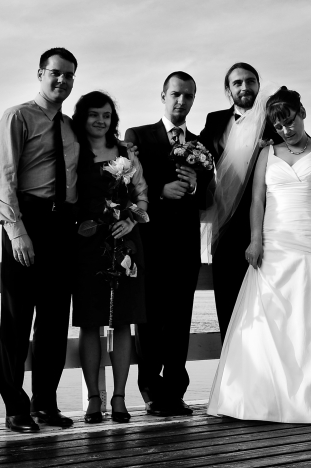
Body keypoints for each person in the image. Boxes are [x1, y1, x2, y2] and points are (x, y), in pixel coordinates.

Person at [208, 87, 311, 422]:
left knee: (308, 318)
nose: (286, 130)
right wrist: (255, 240)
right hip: (273, 241)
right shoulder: (267, 153)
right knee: (267, 318)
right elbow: (257, 200)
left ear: (302, 113)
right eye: (279, 125)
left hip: (310, 241)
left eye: (290, 121)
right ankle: (260, 397)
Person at [0, 47, 79, 432]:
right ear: (41, 73)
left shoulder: (72, 127)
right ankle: (16, 407)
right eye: (56, 72)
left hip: (64, 227)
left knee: (55, 322)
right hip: (29, 221)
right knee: (17, 319)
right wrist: (17, 232)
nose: (62, 80)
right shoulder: (17, 117)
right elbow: (3, 179)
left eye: (69, 75)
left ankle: (46, 403)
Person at [124, 72, 213, 417]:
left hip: (186, 246)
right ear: (163, 95)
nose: (181, 101)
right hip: (150, 244)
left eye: (188, 96)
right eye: (176, 94)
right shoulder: (139, 136)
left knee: (179, 320)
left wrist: (194, 186)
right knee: (148, 322)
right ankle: (151, 392)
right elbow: (128, 185)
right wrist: (160, 191)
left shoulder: (201, 144)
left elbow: (207, 199)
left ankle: (176, 392)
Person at [70, 91, 149, 425]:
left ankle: (119, 398)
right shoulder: (74, 152)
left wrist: (131, 220)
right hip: (88, 243)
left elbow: (142, 196)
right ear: (82, 117)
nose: (100, 120)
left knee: (122, 321)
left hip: (124, 243)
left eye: (106, 115)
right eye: (93, 114)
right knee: (90, 321)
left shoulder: (126, 153)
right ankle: (93, 398)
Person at [199, 63, 281, 341]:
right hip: (225, 224)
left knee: (269, 302)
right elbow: (195, 156)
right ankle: (230, 360)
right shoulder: (214, 120)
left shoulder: (273, 117)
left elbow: (298, 141)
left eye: (250, 81)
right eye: (237, 83)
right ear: (228, 90)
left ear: (258, 85)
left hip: (268, 222)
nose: (244, 87)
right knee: (228, 298)